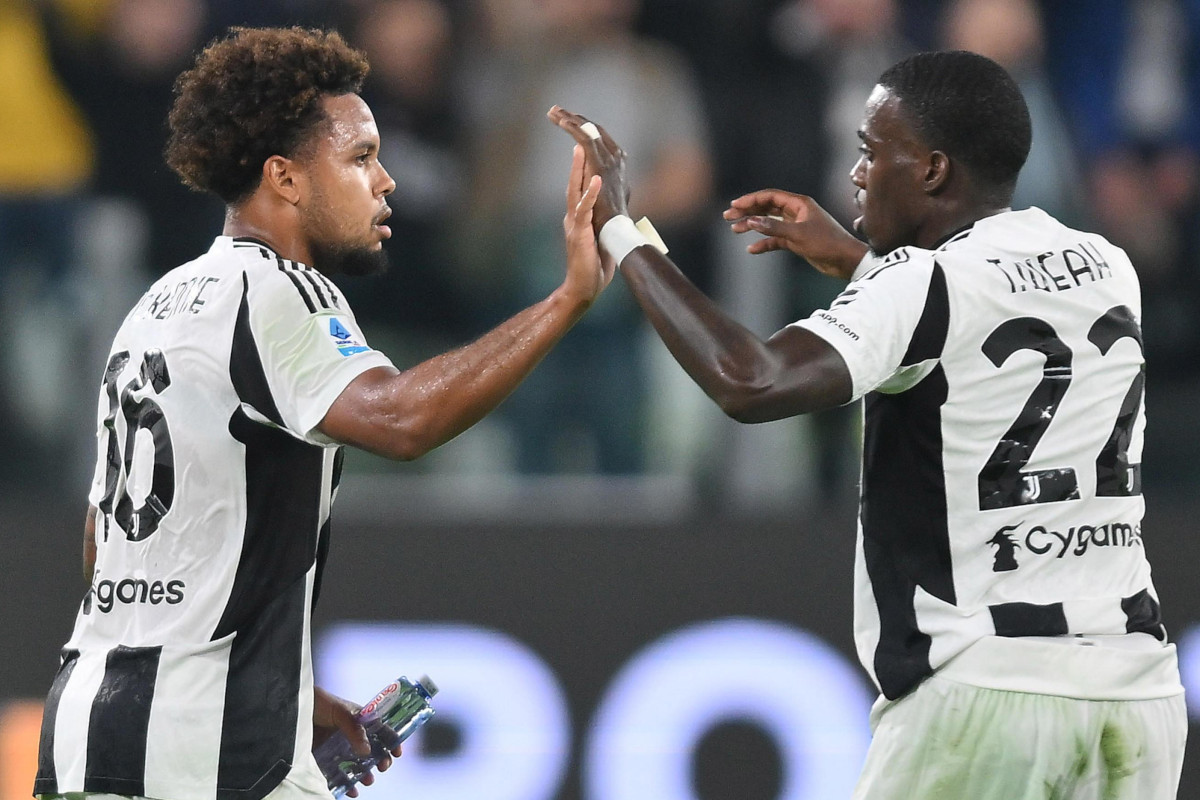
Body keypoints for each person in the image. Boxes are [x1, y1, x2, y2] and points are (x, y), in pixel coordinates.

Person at [551, 48, 1186, 798]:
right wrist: (862, 261)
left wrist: (624, 229)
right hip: (1137, 700)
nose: (855, 173)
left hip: (984, 692)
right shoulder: (1105, 263)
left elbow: (750, 381)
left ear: (933, 171)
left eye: (870, 150)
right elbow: (982, 329)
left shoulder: (920, 284)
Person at [34, 26, 609, 800]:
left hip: (87, 729)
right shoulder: (280, 289)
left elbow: (106, 541)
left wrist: (290, 691)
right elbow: (402, 421)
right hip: (208, 749)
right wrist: (566, 300)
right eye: (361, 156)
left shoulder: (155, 304)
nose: (387, 181)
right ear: (286, 178)